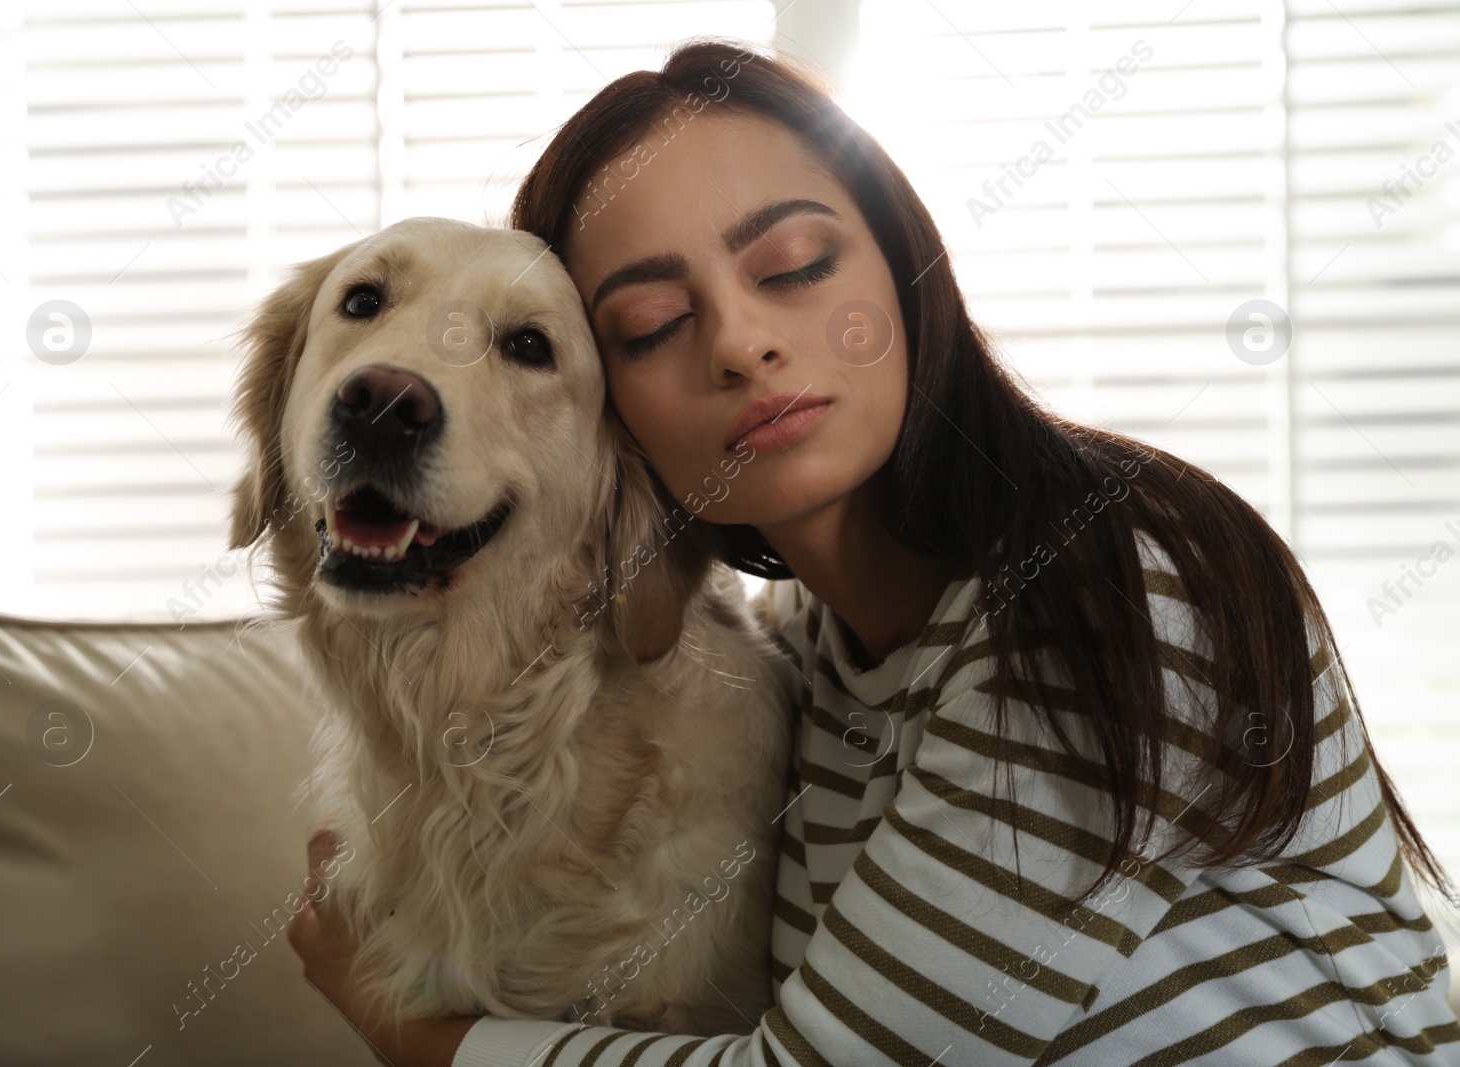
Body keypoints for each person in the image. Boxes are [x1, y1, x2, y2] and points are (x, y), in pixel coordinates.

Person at [286, 38, 1460, 1066]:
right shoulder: (814, 670)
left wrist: (405, 1030)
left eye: (794, 264)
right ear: (615, 443)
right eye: (651, 322)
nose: (743, 342)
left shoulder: (1113, 580)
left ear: (905, 266)